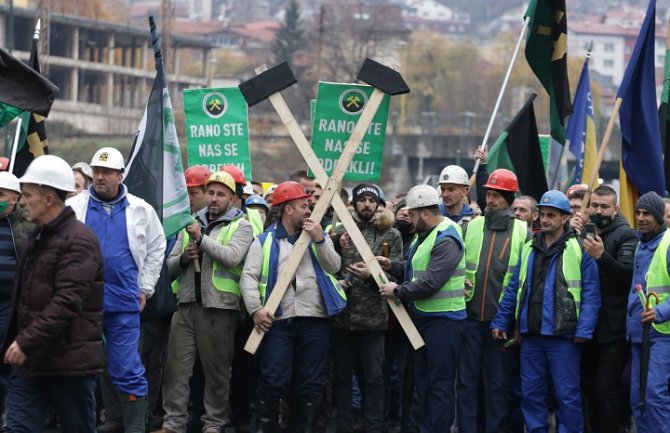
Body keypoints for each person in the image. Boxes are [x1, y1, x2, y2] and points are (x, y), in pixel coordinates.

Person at [67, 147, 166, 432]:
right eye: (96, 171)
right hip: (83, 305)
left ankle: (135, 426)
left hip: (124, 304)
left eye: (107, 172)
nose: (99, 177)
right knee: (80, 369)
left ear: (120, 176)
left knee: (127, 369)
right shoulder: (75, 207)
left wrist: (145, 286)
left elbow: (157, 247)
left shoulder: (141, 209)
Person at [3, 155, 104, 431]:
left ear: (49, 199)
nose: (22, 201)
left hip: (70, 366)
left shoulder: (80, 241)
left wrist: (25, 342)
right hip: (31, 365)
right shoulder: (36, 237)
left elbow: (66, 302)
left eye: (28, 195)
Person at [491, 190, 600, 433]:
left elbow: (592, 293)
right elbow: (513, 288)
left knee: (567, 396)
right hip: (532, 336)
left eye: (552, 215)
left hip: (564, 336)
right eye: (543, 214)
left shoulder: (580, 248)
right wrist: (501, 321)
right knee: (531, 395)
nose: (545, 219)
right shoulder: (529, 247)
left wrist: (584, 328)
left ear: (565, 218)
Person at [240, 181, 344, 433]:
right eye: (303, 206)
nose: (309, 211)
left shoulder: (317, 236)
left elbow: (334, 266)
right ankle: (266, 427)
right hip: (278, 322)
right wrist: (256, 309)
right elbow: (248, 278)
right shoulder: (263, 241)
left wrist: (320, 240)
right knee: (273, 379)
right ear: (287, 209)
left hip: (315, 319)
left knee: (310, 383)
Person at [156, 171, 253, 433]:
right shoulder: (189, 224)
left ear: (232, 199)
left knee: (217, 373)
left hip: (219, 310)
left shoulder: (241, 225)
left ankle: (214, 424)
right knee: (176, 370)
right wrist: (186, 258)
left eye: (221, 194)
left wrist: (201, 239)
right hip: (186, 307)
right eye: (210, 192)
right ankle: (172, 423)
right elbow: (170, 267)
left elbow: (232, 257)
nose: (213, 198)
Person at [379, 184, 466, 433]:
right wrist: (393, 265)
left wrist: (396, 291)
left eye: (414, 215)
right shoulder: (426, 234)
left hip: (444, 322)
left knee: (439, 386)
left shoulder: (447, 237)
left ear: (425, 213)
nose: (411, 220)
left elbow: (430, 282)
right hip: (425, 320)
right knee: (424, 382)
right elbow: (416, 267)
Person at [456, 169, 529, 433]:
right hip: (471, 320)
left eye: (497, 195)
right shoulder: (471, 226)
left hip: (502, 324)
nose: (491, 199)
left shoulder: (523, 232)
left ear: (509, 198)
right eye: (489, 194)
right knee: (466, 383)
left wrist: (516, 323)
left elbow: (524, 283)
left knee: (498, 386)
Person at [331, 184, 403, 433]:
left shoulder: (391, 234)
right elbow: (330, 267)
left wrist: (370, 276)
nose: (367, 205)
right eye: (362, 200)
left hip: (374, 320)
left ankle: (374, 426)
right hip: (343, 319)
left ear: (379, 205)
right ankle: (343, 425)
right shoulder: (341, 232)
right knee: (341, 378)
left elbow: (395, 273)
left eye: (372, 200)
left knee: (374, 379)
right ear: (354, 204)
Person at [570, 185, 636, 433]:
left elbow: (627, 275)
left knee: (606, 389)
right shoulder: (582, 232)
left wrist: (602, 256)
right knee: (585, 387)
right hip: (585, 326)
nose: (599, 211)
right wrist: (571, 234)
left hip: (613, 329)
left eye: (604, 206)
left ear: (615, 208)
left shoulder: (626, 235)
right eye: (594, 205)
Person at [626, 192, 670, 432]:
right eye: (639, 212)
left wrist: (660, 312)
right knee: (638, 401)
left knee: (653, 397)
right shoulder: (640, 244)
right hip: (638, 334)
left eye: (647, 214)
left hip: (662, 334)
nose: (641, 218)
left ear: (659, 216)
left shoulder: (668, 243)